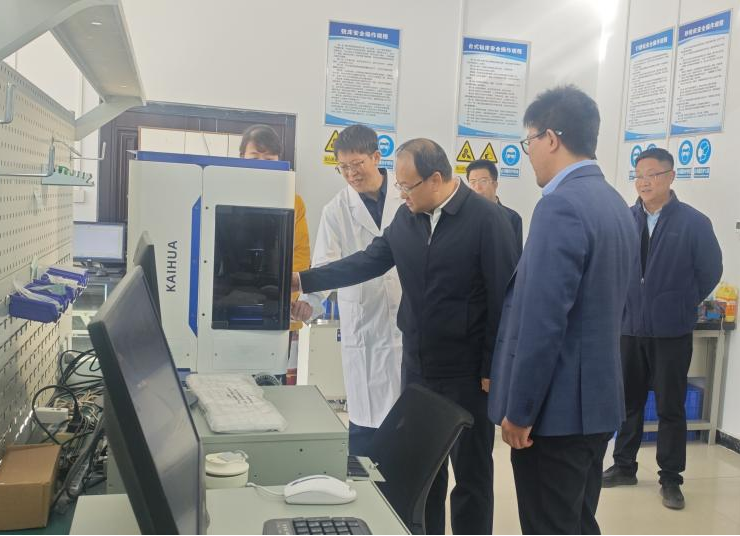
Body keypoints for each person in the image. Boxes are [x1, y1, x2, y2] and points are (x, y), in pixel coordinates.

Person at [292, 138, 518, 535]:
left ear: (436, 179)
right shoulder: (407, 218)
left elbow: (504, 300)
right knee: (423, 473)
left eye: (407, 186)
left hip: (467, 374)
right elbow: (368, 261)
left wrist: (492, 369)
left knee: (472, 476)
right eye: (398, 185)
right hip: (418, 369)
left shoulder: (487, 220)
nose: (401, 194)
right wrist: (303, 279)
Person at [488, 85, 639, 535]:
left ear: (551, 138)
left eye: (529, 142)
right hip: (597, 405)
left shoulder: (560, 206)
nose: (529, 155)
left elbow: (542, 323)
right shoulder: (614, 203)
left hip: (555, 415)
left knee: (550, 525)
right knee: (577, 521)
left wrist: (521, 411)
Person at [603, 148, 723, 510]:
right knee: (628, 403)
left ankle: (671, 478)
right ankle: (624, 466)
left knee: (671, 406)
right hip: (629, 328)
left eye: (652, 174)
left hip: (672, 331)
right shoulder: (624, 220)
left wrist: (680, 302)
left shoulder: (693, 222)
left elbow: (710, 270)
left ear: (671, 176)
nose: (644, 182)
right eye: (639, 175)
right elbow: (612, 267)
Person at [291, 124, 404, 456]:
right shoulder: (336, 209)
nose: (351, 173)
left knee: (405, 423)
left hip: (406, 315)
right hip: (364, 322)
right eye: (343, 167)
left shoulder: (405, 196)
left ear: (376, 157)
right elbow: (325, 262)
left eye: (357, 164)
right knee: (366, 421)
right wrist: (309, 302)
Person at [239, 124, 310, 381]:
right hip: (229, 301)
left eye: (269, 159)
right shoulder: (223, 190)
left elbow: (299, 255)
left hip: (274, 307)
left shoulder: (293, 201)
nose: (262, 165)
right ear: (241, 158)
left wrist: (289, 304)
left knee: (270, 381)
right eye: (254, 157)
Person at [467, 159, 523, 252]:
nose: (477, 187)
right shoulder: (463, 216)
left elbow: (516, 256)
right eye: (473, 182)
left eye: (483, 181)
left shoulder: (512, 218)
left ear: (495, 184)